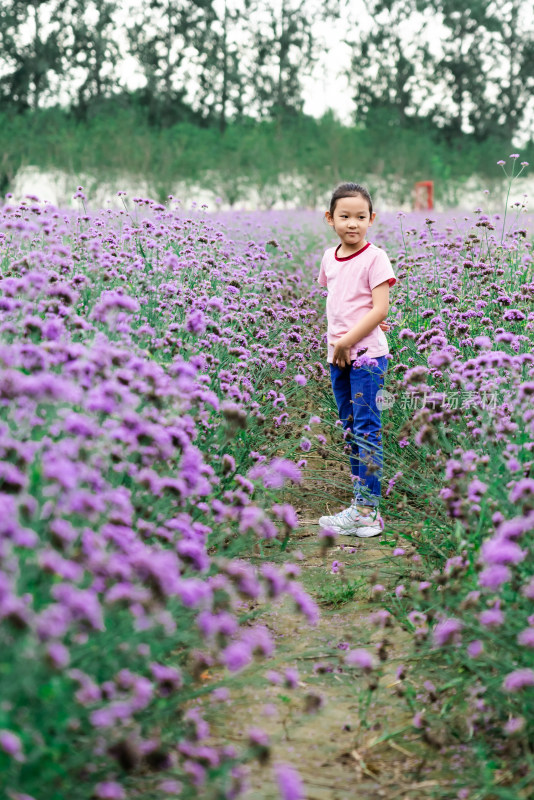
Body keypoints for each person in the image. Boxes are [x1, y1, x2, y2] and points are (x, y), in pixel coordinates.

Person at [317, 182, 396, 537]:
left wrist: (347, 340)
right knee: (350, 429)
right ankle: (359, 505)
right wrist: (339, 344)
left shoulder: (375, 257)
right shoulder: (329, 257)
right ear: (330, 219)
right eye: (345, 216)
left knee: (367, 430)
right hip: (340, 357)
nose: (353, 223)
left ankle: (368, 508)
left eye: (360, 217)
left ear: (372, 219)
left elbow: (380, 308)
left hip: (365, 358)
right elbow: (341, 301)